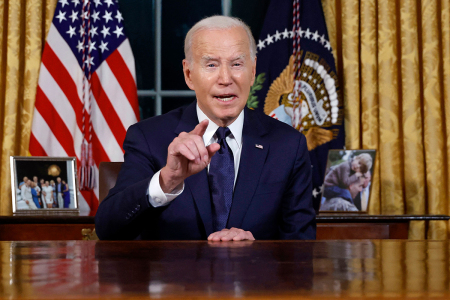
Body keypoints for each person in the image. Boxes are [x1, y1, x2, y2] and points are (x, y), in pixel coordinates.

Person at [95, 16, 315, 241]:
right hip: (176, 276)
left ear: (252, 71)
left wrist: (257, 253)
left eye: (237, 64)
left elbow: (301, 246)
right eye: (211, 65)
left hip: (254, 274)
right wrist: (167, 180)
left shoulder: (288, 144)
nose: (225, 78)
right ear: (189, 74)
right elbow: (109, 230)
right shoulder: (148, 138)